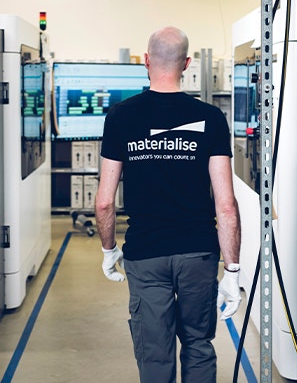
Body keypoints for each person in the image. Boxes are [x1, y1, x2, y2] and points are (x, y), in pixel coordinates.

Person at [95, 26, 242, 383]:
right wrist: (233, 271)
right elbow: (226, 206)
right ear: (187, 64)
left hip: (146, 254)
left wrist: (108, 249)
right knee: (198, 343)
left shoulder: (121, 117)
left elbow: (103, 202)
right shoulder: (210, 118)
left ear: (146, 61)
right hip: (198, 254)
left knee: (155, 353)